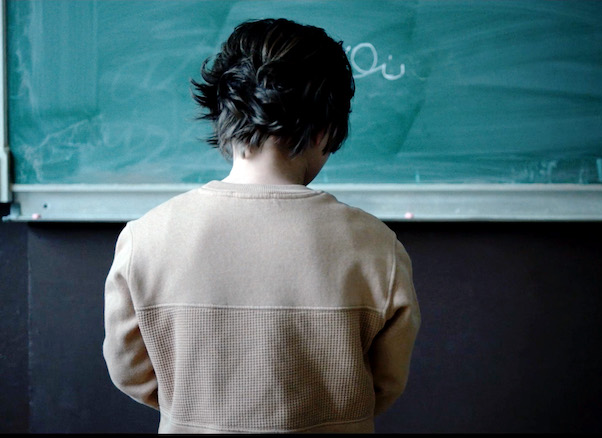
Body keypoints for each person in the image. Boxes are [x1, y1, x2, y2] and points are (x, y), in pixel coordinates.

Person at [103, 18, 421, 434]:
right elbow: (385, 383)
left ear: (222, 117)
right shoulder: (377, 246)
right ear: (326, 129)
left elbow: (130, 373)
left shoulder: (144, 239)